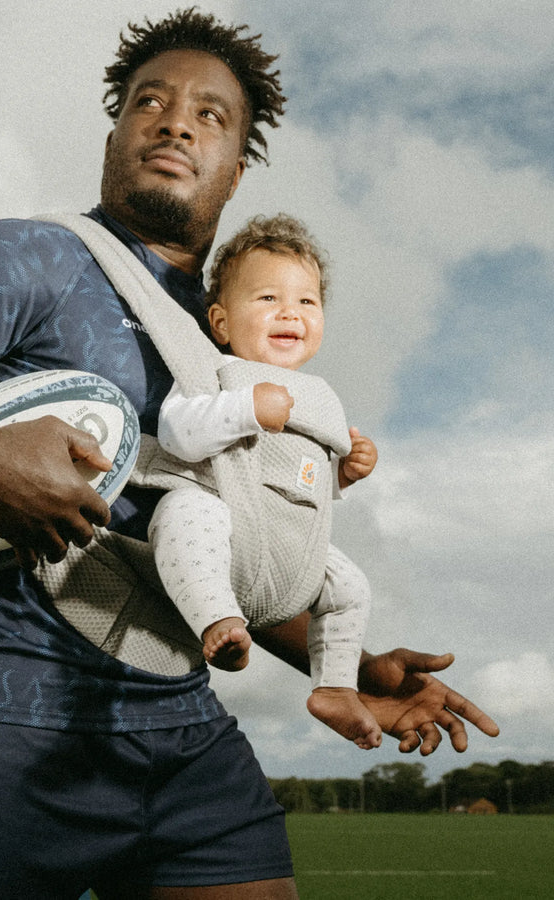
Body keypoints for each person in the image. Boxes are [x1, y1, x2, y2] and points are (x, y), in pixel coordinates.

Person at [0, 9, 499, 899]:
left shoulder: (234, 342)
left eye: (210, 115)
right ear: (117, 132)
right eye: (148, 102)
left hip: (175, 719)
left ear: (236, 167)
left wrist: (343, 660)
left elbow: (200, 551)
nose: (175, 121)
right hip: (1, 711)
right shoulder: (35, 258)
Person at [148, 213, 382, 750]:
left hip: (287, 548)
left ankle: (336, 686)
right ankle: (218, 621)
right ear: (222, 323)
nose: (289, 313)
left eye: (306, 302)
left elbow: (303, 489)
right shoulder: (215, 374)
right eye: (267, 299)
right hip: (227, 527)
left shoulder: (320, 395)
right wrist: (245, 410)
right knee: (185, 515)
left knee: (350, 589)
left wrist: (342, 474)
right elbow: (177, 433)